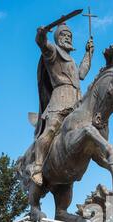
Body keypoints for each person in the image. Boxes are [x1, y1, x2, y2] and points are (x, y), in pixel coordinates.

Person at [32, 23, 94, 186]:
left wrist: (88, 54)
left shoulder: (72, 60)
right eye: (64, 35)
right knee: (51, 130)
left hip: (77, 100)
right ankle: (37, 168)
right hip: (60, 98)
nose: (67, 38)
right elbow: (42, 44)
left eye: (69, 36)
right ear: (57, 38)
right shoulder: (52, 52)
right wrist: (41, 34)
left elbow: (81, 74)